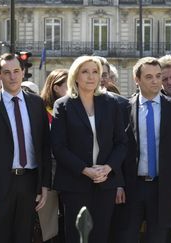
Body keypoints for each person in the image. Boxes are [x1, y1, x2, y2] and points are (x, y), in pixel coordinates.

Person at [0, 53, 51, 243]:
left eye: (16, 71)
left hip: (29, 183)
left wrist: (44, 184)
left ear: (23, 72)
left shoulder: (36, 103)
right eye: (7, 72)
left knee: (24, 236)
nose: (12, 77)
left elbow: (45, 146)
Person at [51, 56, 127, 243]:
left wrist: (108, 168)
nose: (91, 77)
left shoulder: (111, 104)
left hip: (105, 182)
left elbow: (122, 142)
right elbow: (58, 147)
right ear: (76, 76)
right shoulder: (63, 105)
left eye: (95, 72)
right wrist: (86, 170)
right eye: (85, 72)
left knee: (101, 235)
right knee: (76, 236)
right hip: (75, 182)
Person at [122, 57, 171, 243]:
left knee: (159, 238)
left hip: (163, 187)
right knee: (127, 235)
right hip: (132, 186)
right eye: (149, 77)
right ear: (136, 79)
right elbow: (119, 149)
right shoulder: (123, 108)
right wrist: (119, 184)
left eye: (158, 76)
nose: (155, 81)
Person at [39, 68, 68, 242]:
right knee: (49, 224)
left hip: (68, 172)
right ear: (56, 87)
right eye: (69, 84)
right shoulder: (42, 110)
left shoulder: (74, 108)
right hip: (49, 175)